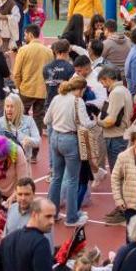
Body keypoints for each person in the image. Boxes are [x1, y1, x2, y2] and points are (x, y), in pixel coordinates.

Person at [44, 76, 92, 227]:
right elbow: (85, 124)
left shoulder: (57, 98)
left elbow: (46, 120)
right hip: (70, 139)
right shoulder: (78, 102)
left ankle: (52, 213)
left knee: (56, 178)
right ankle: (71, 217)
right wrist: (95, 121)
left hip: (55, 138)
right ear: (80, 89)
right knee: (72, 180)